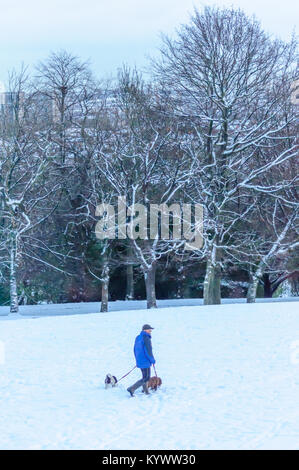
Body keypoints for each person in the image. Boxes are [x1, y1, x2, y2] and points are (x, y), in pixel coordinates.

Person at [127, 324, 156, 397]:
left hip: (140, 360)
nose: (150, 331)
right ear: (145, 330)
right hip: (145, 360)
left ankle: (146, 391)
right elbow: (148, 351)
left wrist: (137, 359)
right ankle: (132, 388)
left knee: (144, 377)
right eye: (149, 330)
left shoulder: (138, 337)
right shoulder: (146, 338)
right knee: (147, 378)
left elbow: (135, 349)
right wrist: (152, 360)